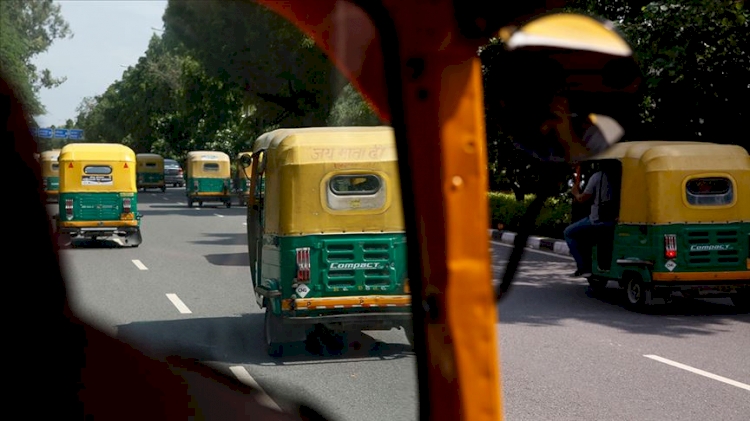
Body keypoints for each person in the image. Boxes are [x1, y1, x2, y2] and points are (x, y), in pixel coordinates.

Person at [564, 163, 616, 277]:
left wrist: (576, 193)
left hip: (597, 219)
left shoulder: (597, 177)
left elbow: (583, 198)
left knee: (568, 233)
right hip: (614, 220)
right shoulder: (618, 176)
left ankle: (583, 267)